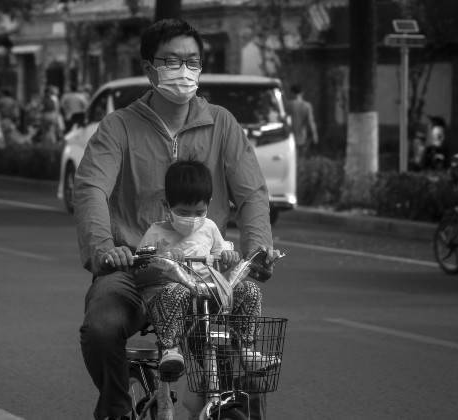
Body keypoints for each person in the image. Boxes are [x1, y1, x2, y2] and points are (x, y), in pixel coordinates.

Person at [73, 18, 279, 420]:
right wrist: (103, 250)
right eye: (172, 61)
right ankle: (115, 408)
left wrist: (257, 250)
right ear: (150, 69)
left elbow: (252, 192)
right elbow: (91, 189)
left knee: (247, 359)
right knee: (101, 328)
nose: (184, 71)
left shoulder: (222, 123)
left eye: (193, 61)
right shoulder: (118, 127)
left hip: (205, 272)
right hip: (136, 269)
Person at [137, 159, 281, 378]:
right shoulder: (156, 233)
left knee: (249, 290)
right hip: (168, 305)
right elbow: (140, 271)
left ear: (208, 205)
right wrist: (163, 259)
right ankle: (170, 349)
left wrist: (227, 257)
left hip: (205, 300)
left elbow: (221, 259)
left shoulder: (210, 228)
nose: (193, 219)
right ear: (166, 206)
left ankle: (247, 351)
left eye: (199, 212)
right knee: (178, 290)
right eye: (184, 213)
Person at [287, 84, 318, 158]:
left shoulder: (289, 105)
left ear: (292, 93)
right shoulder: (307, 105)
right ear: (302, 93)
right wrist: (315, 134)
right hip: (303, 136)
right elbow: (311, 121)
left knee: (293, 158)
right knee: (302, 157)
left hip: (291, 135)